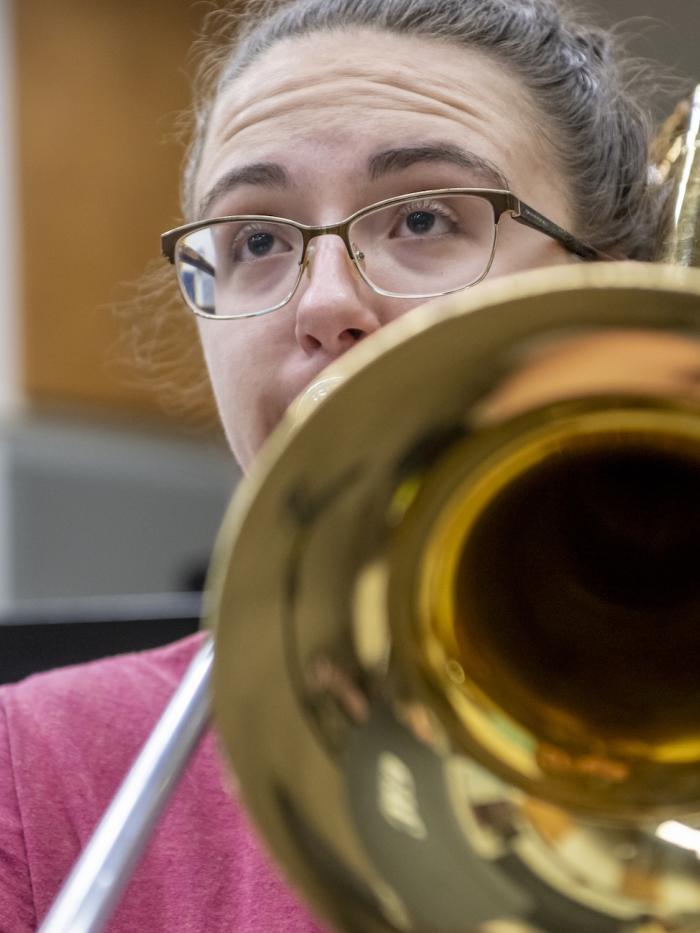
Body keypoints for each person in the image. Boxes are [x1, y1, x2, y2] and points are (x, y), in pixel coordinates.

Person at [0, 0, 665, 930]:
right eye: (257, 242)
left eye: (425, 217)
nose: (323, 302)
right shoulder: (35, 769)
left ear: (620, 286)